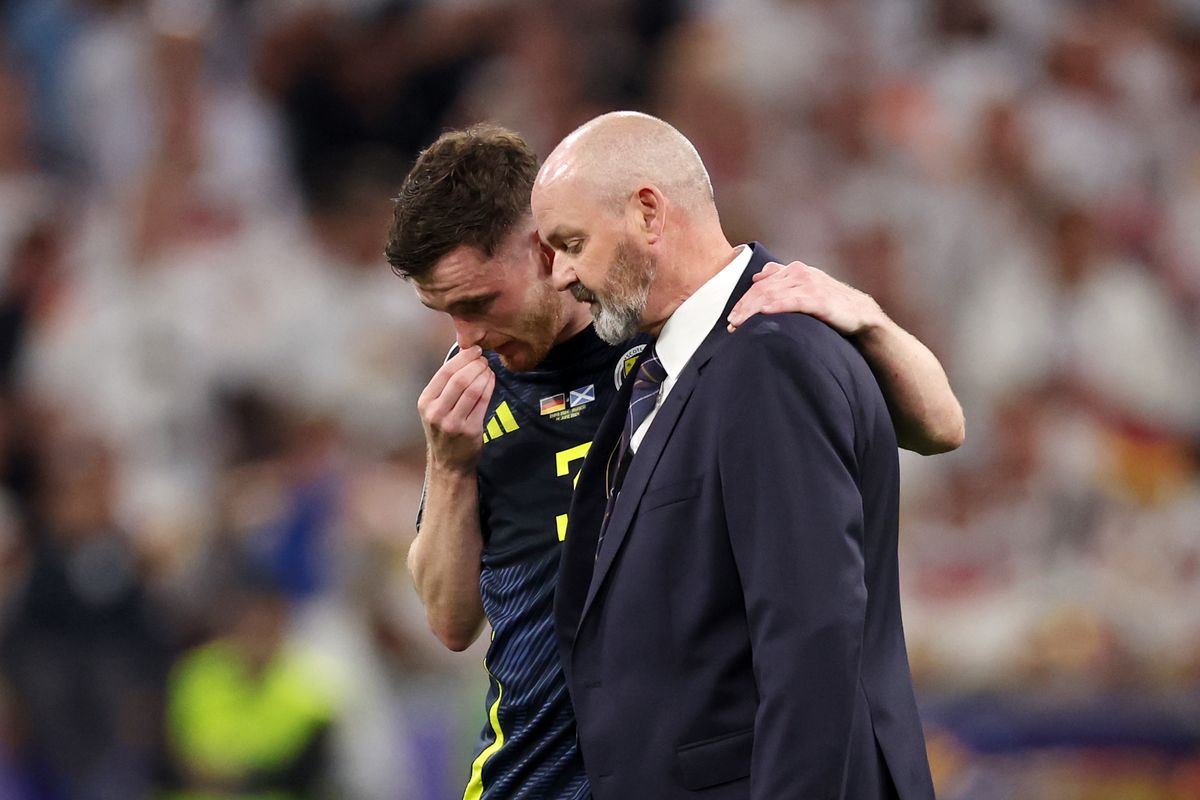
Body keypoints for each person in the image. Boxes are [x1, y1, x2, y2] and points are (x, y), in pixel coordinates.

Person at [386, 124, 959, 799]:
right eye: (443, 311)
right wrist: (450, 468)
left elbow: (939, 427)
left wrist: (868, 320)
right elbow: (450, 622)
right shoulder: (472, 390)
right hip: (529, 773)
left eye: (479, 303)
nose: (465, 336)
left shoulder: (664, 340)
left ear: (541, 246)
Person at [532, 111, 936, 798]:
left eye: (570, 243)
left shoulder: (769, 359)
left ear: (649, 214)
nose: (561, 276)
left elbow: (811, 643)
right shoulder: (660, 368)